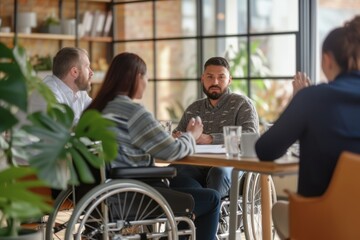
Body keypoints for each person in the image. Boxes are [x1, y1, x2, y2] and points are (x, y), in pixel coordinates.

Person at [86, 52, 221, 240]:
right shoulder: (134, 112)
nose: (147, 82)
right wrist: (192, 135)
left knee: (186, 184)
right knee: (212, 199)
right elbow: (173, 152)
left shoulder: (94, 110)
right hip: (134, 195)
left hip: (100, 195)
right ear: (136, 78)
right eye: (146, 76)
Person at [255, 15, 360, 239]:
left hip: (323, 222)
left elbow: (266, 150)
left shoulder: (312, 98)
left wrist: (299, 101)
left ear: (326, 60)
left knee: (280, 211)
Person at [170, 56, 259, 198]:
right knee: (173, 170)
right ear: (202, 79)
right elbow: (178, 134)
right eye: (210, 77)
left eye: (221, 77)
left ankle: (210, 212)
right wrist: (178, 136)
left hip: (231, 165)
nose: (215, 82)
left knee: (218, 172)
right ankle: (193, 212)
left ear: (229, 80)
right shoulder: (194, 108)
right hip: (197, 165)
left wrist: (211, 139)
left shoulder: (242, 104)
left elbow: (250, 136)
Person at [43, 47, 94, 124]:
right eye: (87, 67)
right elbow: (65, 127)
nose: (91, 73)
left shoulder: (79, 91)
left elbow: (96, 110)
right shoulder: (49, 92)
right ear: (74, 72)